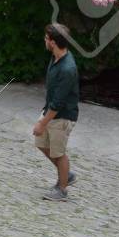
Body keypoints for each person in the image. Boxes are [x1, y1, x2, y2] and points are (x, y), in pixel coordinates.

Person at [34, 24, 79, 202]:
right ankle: (66, 174)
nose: (44, 41)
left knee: (58, 153)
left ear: (52, 42)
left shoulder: (67, 69)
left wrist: (42, 123)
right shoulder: (56, 58)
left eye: (46, 39)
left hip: (62, 117)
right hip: (51, 111)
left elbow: (59, 103)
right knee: (41, 143)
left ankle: (62, 190)